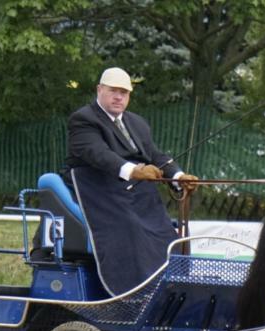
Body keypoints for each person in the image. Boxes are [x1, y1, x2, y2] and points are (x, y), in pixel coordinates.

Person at [63, 66, 198, 296]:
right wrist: (134, 170)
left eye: (124, 93)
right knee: (132, 227)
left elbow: (155, 155)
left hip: (135, 194)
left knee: (168, 232)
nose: (118, 97)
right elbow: (98, 154)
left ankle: (173, 291)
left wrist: (177, 176)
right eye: (113, 91)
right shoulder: (83, 119)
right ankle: (136, 294)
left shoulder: (138, 123)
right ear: (99, 90)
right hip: (96, 191)